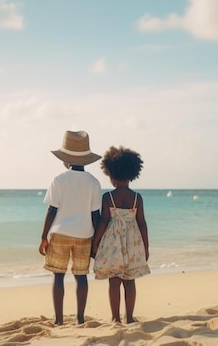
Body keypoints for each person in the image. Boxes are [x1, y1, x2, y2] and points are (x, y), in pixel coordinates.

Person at [39, 130, 102, 325]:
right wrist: (97, 242)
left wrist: (43, 237)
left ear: (65, 159)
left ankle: (58, 320)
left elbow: (51, 210)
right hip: (85, 235)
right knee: (81, 277)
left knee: (58, 276)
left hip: (60, 232)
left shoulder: (59, 179)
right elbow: (95, 216)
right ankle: (80, 318)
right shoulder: (94, 182)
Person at [91, 146, 150, 324]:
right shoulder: (137, 198)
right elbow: (142, 223)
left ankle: (115, 317)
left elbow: (103, 222)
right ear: (132, 173)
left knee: (114, 281)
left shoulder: (108, 197)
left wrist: (95, 243)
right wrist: (145, 247)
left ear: (112, 174)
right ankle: (130, 317)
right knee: (130, 281)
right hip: (132, 242)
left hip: (113, 243)